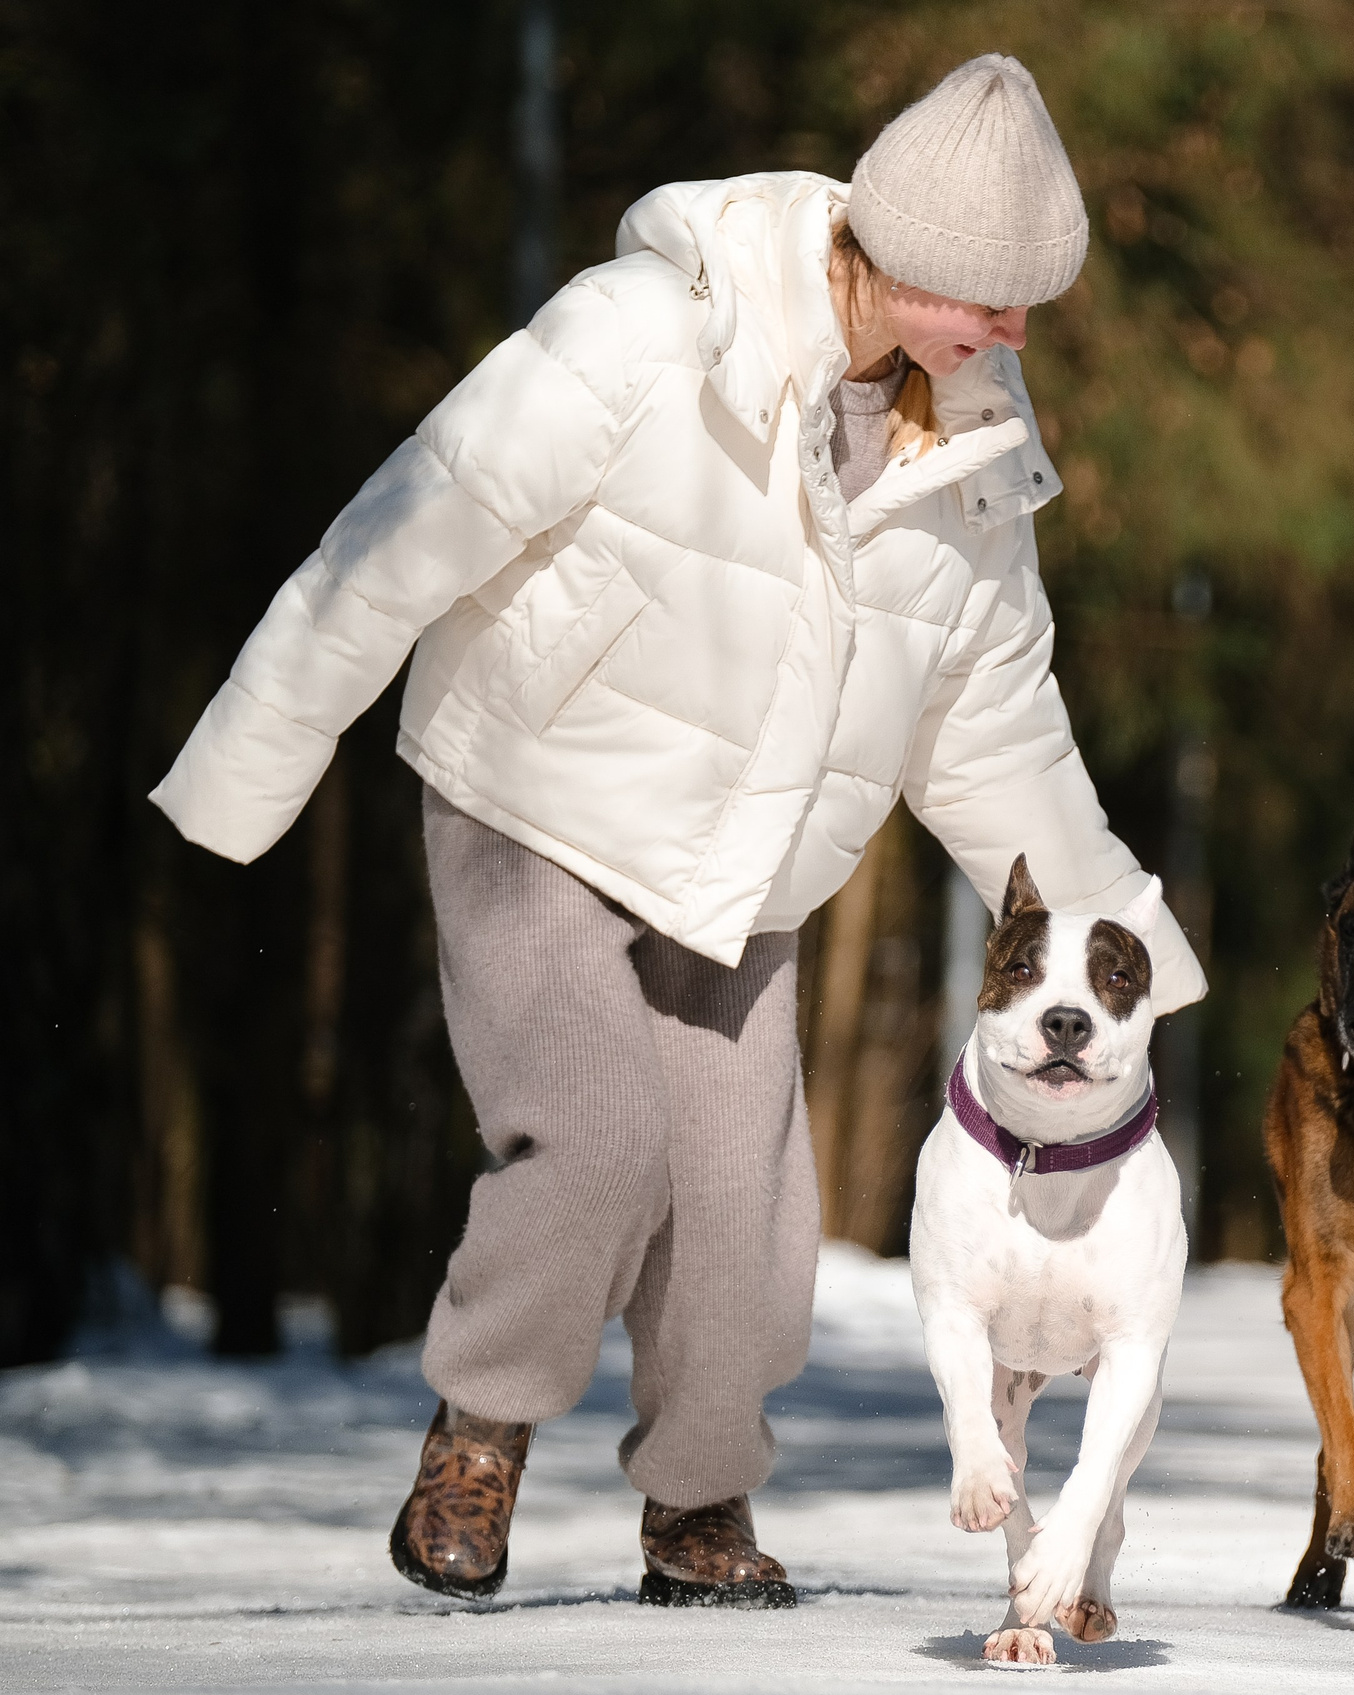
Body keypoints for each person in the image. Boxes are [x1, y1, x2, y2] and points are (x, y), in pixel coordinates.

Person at [149, 52, 1202, 1609]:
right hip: (540, 798)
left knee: (745, 1215)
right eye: (996, 299)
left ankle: (698, 1506)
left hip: (747, 871)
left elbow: (999, 734)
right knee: (596, 1137)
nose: (1017, 335)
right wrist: (256, 753)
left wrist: (1142, 966)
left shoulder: (972, 452)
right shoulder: (649, 332)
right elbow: (413, 517)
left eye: (1032, 305)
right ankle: (481, 1431)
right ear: (904, 261)